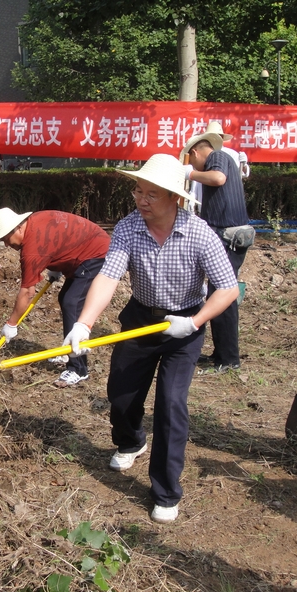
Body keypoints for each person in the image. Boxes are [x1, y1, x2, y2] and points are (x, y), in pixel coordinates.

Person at [62, 154, 238, 523]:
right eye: (138, 191)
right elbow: (108, 277)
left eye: (151, 194)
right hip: (141, 319)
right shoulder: (128, 228)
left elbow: (227, 289)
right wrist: (84, 323)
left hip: (183, 327)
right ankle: (131, 442)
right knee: (121, 396)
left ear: (175, 197)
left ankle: (166, 491)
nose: (141, 200)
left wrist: (194, 323)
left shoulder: (199, 234)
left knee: (172, 404)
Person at [0, 208, 110, 387]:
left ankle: (78, 369)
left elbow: (27, 292)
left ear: (18, 228)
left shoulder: (31, 250)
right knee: (66, 297)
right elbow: (60, 235)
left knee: (71, 302)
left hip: (96, 253)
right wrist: (57, 266)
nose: (6, 245)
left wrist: (11, 323)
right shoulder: (34, 223)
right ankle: (69, 350)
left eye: (5, 239)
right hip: (87, 249)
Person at [182, 126, 251, 375]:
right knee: (219, 293)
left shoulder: (216, 157)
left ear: (197, 151)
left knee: (222, 295)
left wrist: (190, 173)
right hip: (225, 236)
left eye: (191, 159)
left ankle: (229, 359)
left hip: (228, 238)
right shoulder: (215, 161)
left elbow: (218, 178)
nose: (193, 165)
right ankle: (222, 354)